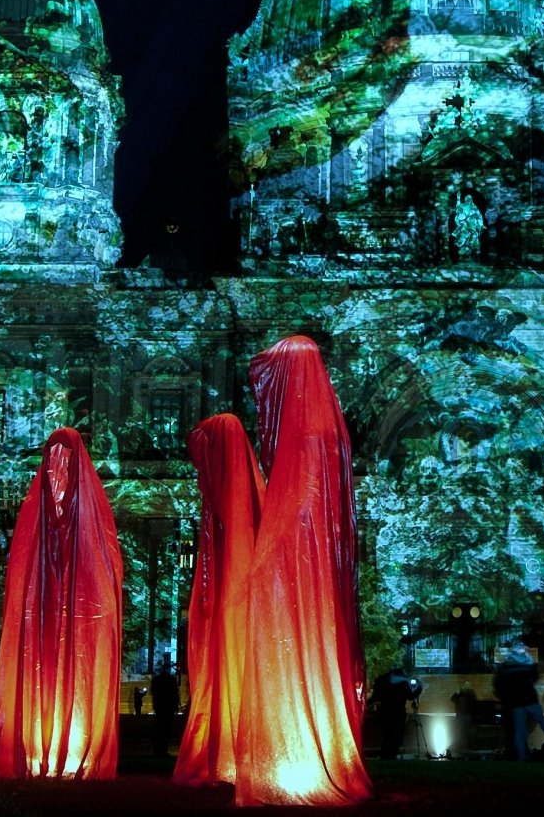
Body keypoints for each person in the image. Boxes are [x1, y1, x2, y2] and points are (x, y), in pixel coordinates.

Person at [233, 336, 373, 805]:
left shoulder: (307, 431)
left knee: (299, 638)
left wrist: (269, 562)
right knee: (309, 642)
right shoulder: (329, 430)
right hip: (313, 569)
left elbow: (296, 505)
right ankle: (305, 750)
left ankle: (296, 758)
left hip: (300, 561)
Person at [0, 428, 124, 780]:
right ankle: (41, 745)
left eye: (64, 464)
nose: (56, 472)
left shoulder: (92, 524)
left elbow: (102, 583)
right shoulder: (35, 523)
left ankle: (67, 748)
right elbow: (23, 580)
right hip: (44, 625)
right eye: (51, 464)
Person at [173, 413, 265, 786]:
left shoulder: (244, 502)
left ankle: (241, 750)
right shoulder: (222, 507)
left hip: (243, 609)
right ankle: (224, 749)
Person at [493, 641, 544, 760]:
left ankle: (521, 756)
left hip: (516, 702)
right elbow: (535, 676)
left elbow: (498, 684)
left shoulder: (505, 667)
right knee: (543, 722)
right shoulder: (528, 663)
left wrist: (504, 696)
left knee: (519, 731)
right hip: (530, 699)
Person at [371, 666, 421, 759]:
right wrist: (419, 688)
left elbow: (376, 695)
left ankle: (384, 754)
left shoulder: (384, 680)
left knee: (388, 733)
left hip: (386, 711)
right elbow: (410, 696)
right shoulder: (403, 681)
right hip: (398, 711)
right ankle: (392, 754)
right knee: (397, 734)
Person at [151, 656, 181, 756]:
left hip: (159, 706)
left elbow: (153, 692)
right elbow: (175, 693)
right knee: (166, 729)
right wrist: (176, 705)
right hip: (168, 707)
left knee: (158, 728)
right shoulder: (171, 680)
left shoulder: (156, 679)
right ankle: (163, 749)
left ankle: (157, 749)